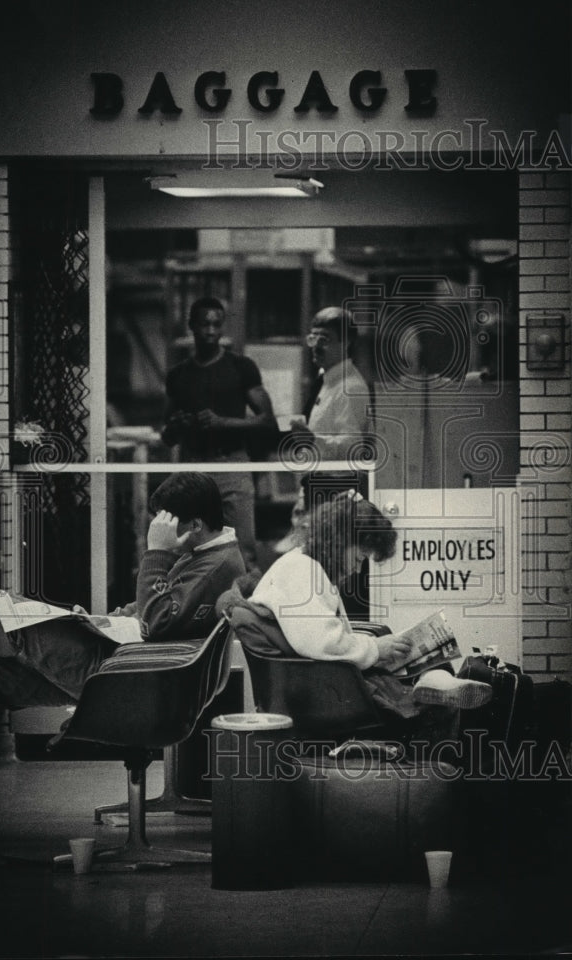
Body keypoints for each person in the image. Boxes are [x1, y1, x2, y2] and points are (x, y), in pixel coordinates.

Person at [0, 473, 245, 721]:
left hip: (133, 675)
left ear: (196, 524)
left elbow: (157, 622)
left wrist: (156, 552)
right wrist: (101, 621)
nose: (160, 529)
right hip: (130, 661)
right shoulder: (207, 554)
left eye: (167, 522)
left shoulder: (214, 567)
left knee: (23, 622)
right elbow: (154, 608)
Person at [220, 490, 492, 736]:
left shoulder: (305, 566)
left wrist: (378, 649)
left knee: (420, 664)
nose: (358, 568)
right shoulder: (303, 571)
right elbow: (324, 642)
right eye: (360, 557)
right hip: (326, 694)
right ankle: (435, 683)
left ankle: (436, 680)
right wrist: (376, 648)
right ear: (341, 542)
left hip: (320, 685)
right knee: (429, 693)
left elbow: (321, 637)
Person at [161, 296, 278, 569]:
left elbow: (267, 421)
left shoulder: (241, 367)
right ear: (191, 326)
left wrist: (223, 423)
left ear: (223, 326)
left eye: (216, 324)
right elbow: (166, 435)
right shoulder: (178, 375)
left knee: (243, 551)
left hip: (232, 466)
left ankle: (245, 610)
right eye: (204, 324)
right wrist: (177, 426)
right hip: (193, 467)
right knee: (191, 552)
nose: (211, 331)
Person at [288, 306, 374, 462]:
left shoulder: (350, 388)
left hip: (337, 484)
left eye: (324, 339)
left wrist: (313, 441)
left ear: (346, 343)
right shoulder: (325, 379)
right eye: (313, 338)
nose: (316, 346)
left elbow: (353, 448)